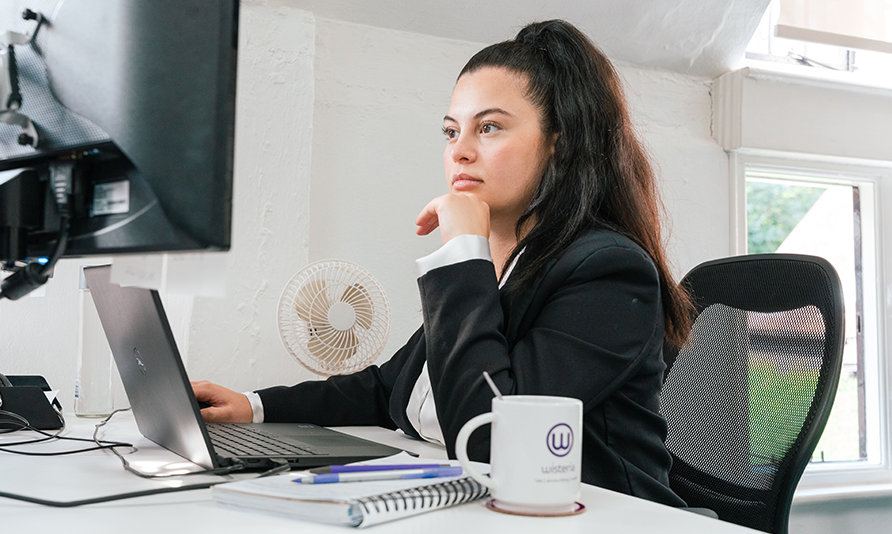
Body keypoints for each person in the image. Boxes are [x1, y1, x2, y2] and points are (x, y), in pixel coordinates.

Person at [192, 19, 691, 507]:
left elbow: (489, 437)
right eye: (451, 131)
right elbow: (388, 387)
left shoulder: (607, 269)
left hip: (607, 515)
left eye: (489, 128)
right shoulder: (500, 262)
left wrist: (462, 253)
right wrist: (253, 406)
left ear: (559, 142)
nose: (461, 152)